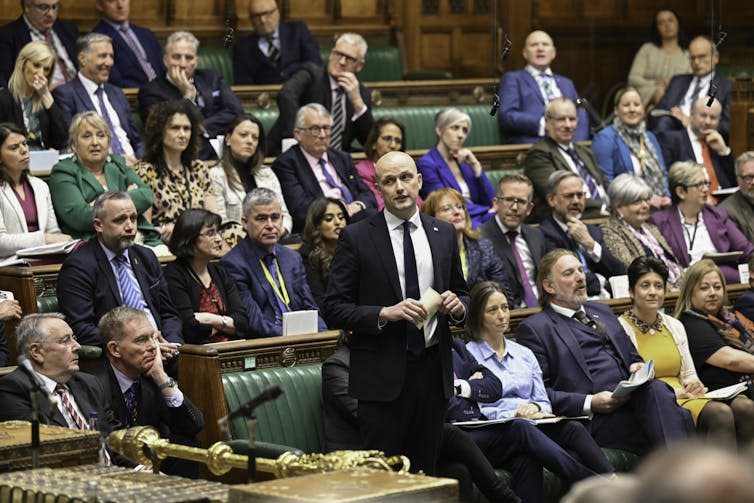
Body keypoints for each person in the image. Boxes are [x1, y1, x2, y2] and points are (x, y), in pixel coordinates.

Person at [322, 151, 469, 475]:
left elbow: (462, 293)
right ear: (378, 187)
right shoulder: (357, 236)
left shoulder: (443, 233)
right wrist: (384, 313)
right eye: (389, 181)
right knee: (386, 481)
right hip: (381, 378)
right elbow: (333, 308)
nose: (400, 187)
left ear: (418, 181)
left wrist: (459, 308)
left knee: (425, 476)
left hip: (433, 375)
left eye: (405, 178)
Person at [515, 249, 694, 454]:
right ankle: (687, 474)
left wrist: (637, 366)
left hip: (634, 400)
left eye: (581, 270)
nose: (580, 277)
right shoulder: (535, 329)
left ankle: (682, 472)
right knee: (677, 420)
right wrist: (591, 403)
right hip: (596, 417)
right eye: (569, 273)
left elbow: (633, 357)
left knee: (657, 389)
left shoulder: (602, 311)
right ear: (549, 286)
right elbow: (539, 393)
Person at [321, 337, 520, 503]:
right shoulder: (337, 366)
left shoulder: (389, 359)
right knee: (449, 434)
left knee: (459, 472)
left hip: (400, 447)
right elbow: (368, 417)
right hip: (362, 456)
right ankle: (507, 499)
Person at [464, 281, 614, 502]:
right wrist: (516, 411)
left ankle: (612, 480)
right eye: (492, 310)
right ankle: (586, 480)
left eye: (505, 307)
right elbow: (476, 405)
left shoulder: (524, 353)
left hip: (534, 423)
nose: (502, 315)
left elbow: (543, 398)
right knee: (522, 428)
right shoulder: (468, 356)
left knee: (572, 427)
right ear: (478, 316)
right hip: (499, 428)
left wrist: (535, 407)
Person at [620, 256, 749, 445]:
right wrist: (676, 392)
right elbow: (632, 381)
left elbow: (690, 374)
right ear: (631, 291)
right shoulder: (621, 328)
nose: (652, 292)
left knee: (746, 408)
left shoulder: (674, 325)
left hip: (687, 396)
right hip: (655, 401)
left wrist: (694, 384)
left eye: (658, 286)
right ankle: (719, 474)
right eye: (645, 285)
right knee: (720, 414)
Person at [56, 191, 182, 347]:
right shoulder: (79, 266)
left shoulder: (146, 257)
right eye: (120, 220)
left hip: (163, 347)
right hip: (119, 358)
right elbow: (81, 329)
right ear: (98, 225)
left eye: (133, 218)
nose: (130, 227)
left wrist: (173, 344)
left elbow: (169, 314)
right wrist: (139, 345)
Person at [93, 307, 204, 476]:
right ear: (115, 349)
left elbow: (193, 425)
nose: (153, 346)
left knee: (188, 445)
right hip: (118, 473)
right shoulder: (95, 386)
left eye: (152, 337)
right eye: (141, 340)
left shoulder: (152, 377)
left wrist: (160, 376)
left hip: (154, 463)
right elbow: (109, 445)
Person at [221, 188, 326, 338]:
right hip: (267, 344)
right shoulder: (233, 264)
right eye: (261, 218)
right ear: (245, 223)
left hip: (303, 339)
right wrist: (292, 336)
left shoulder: (292, 258)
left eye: (275, 217)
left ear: (282, 219)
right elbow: (253, 322)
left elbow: (311, 307)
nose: (270, 225)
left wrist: (323, 335)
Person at [48, 112, 161, 247]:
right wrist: (127, 195)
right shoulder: (63, 172)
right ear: (74, 145)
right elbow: (80, 218)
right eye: (87, 136)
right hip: (93, 244)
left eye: (101, 135)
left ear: (108, 142)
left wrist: (97, 203)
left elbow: (146, 195)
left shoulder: (118, 164)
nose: (95, 142)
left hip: (141, 238)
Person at [0, 313, 119, 435]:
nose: (77, 346)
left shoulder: (89, 383)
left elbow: (114, 438)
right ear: (36, 352)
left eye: (74, 338)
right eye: (65, 341)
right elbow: (40, 447)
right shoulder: (13, 390)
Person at [138, 31, 243, 160]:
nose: (182, 64)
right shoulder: (151, 91)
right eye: (176, 57)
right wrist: (188, 96)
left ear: (196, 61)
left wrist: (203, 127)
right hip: (184, 156)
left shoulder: (211, 78)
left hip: (224, 150)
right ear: (166, 60)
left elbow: (236, 111)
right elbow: (165, 128)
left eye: (188, 58)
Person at [273, 103, 376, 234]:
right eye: (315, 129)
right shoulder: (287, 164)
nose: (322, 135)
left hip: (356, 218)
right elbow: (299, 209)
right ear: (298, 134)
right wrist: (339, 211)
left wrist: (357, 206)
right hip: (321, 228)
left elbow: (368, 195)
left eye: (326, 128)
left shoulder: (342, 158)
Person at [267, 32, 373, 155]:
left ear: (360, 65)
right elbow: (286, 95)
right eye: (338, 54)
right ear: (331, 53)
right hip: (292, 153)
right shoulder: (311, 74)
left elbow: (368, 142)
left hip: (335, 161)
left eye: (349, 58)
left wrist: (358, 103)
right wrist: (299, 137)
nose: (342, 61)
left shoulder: (362, 94)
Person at [651, 161, 753, 284]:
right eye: (699, 185)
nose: (705, 189)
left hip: (724, 281)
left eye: (706, 183)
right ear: (681, 192)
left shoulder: (717, 215)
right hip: (685, 286)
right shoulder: (660, 222)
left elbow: (746, 250)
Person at [135, 100, 219, 244]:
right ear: (160, 132)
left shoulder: (199, 168)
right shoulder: (145, 171)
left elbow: (214, 217)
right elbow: (144, 227)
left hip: (200, 238)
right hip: (166, 241)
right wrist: (164, 230)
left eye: (187, 129)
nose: (182, 135)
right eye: (175, 128)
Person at [52, 32, 144, 163]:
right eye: (102, 56)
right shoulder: (65, 95)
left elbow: (137, 140)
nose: (109, 62)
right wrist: (116, 162)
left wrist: (141, 161)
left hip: (134, 164)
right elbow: (69, 144)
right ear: (82, 58)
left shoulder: (117, 93)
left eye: (111, 56)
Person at [675, 260, 754, 405]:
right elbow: (731, 360)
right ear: (690, 292)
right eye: (704, 288)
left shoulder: (729, 316)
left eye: (717, 287)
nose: (712, 293)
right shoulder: (689, 323)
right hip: (721, 396)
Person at [165, 209, 248, 344]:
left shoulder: (221, 272)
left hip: (233, 348)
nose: (219, 239)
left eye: (218, 232)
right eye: (210, 233)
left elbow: (242, 323)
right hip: (199, 354)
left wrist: (211, 319)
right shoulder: (174, 275)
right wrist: (227, 324)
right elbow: (189, 327)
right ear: (189, 238)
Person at [208, 114, 292, 245]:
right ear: (228, 139)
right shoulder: (216, 175)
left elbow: (285, 215)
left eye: (255, 137)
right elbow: (220, 222)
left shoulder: (267, 173)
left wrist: (275, 232)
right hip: (237, 246)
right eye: (243, 135)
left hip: (273, 241)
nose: (249, 141)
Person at [539, 171, 625, 298]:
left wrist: (590, 244)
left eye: (580, 195)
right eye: (569, 196)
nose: (576, 201)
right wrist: (602, 281)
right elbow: (565, 281)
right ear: (551, 200)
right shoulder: (544, 234)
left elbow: (620, 273)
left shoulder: (592, 231)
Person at [523, 97, 608, 223]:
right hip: (572, 221)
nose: (568, 125)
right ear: (547, 122)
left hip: (605, 215)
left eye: (572, 119)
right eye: (561, 119)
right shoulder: (538, 155)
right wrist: (603, 207)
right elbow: (561, 196)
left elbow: (605, 185)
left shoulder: (585, 152)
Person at [498, 30, 589, 145]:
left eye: (545, 44)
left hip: (568, 146)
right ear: (525, 53)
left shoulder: (567, 83)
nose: (540, 49)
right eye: (534, 45)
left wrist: (575, 144)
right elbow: (507, 116)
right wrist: (545, 125)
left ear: (553, 53)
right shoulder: (513, 79)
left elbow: (580, 113)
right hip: (533, 144)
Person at [422, 188, 513, 299]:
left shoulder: (484, 247)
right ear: (431, 219)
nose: (457, 212)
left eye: (460, 207)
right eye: (446, 209)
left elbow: (505, 292)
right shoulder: (425, 253)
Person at [591, 87, 670, 208]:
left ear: (643, 109)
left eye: (637, 105)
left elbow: (663, 173)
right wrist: (645, 198)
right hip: (626, 207)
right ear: (616, 111)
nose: (632, 109)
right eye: (626, 105)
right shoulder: (605, 138)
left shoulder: (649, 137)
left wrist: (667, 197)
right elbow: (606, 181)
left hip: (659, 206)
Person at [0, 122, 70, 259]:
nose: (24, 150)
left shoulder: (41, 186)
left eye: (24, 144)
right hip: (10, 266)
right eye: (14, 148)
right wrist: (42, 239)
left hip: (43, 259)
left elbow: (53, 232)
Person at [601, 174, 683, 288]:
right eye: (637, 202)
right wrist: (670, 289)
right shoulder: (611, 232)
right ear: (618, 207)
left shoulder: (651, 228)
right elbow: (633, 270)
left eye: (646, 200)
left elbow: (673, 262)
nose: (645, 205)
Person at [417, 108, 495, 228]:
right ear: (439, 130)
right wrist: (489, 213)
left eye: (464, 130)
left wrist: (476, 166)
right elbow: (446, 203)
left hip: (477, 220)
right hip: (453, 224)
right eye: (455, 128)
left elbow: (490, 201)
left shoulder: (465, 163)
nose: (461, 135)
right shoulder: (426, 164)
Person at [481, 174, 546, 308]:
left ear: (529, 208)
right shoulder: (480, 239)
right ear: (496, 203)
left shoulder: (537, 235)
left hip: (544, 308)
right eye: (509, 200)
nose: (515, 207)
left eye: (521, 202)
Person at [652, 35, 731, 139]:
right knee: (664, 122)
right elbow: (657, 112)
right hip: (672, 131)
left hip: (701, 136)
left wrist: (693, 123)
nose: (696, 62)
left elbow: (728, 126)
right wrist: (673, 115)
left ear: (715, 58)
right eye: (693, 58)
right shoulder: (677, 81)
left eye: (702, 57)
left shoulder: (726, 87)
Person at [659, 97, 735, 196]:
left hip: (723, 202)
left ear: (719, 121)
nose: (707, 122)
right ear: (692, 114)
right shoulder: (672, 140)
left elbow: (734, 181)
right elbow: (669, 179)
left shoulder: (719, 142)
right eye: (703, 115)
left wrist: (724, 151)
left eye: (713, 118)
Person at [233, 0, 321, 85]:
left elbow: (314, 64)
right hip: (266, 97)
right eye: (257, 16)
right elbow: (244, 86)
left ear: (277, 13)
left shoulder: (297, 31)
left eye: (267, 14)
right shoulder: (242, 49)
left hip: (302, 92)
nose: (263, 20)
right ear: (251, 20)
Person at [0, 41, 67, 150]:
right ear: (22, 64)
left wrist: (46, 95)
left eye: (46, 69)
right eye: (36, 65)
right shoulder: (4, 99)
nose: (40, 73)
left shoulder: (46, 101)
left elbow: (62, 141)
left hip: (44, 161)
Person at [0, 0, 79, 89]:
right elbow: (10, 83)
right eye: (43, 8)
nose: (50, 14)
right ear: (27, 7)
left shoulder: (68, 28)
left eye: (54, 7)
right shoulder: (7, 36)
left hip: (79, 93)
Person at [91, 0, 165, 88]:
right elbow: (115, 82)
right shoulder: (97, 40)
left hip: (165, 94)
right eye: (112, 1)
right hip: (134, 96)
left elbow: (163, 68)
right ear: (100, 5)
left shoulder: (146, 33)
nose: (120, 5)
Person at [627, 9, 690, 107]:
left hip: (677, 95)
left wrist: (672, 83)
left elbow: (691, 81)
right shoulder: (647, 49)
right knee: (659, 92)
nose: (667, 25)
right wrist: (656, 83)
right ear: (657, 28)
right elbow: (633, 78)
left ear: (678, 24)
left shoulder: (687, 55)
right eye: (661, 22)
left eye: (670, 20)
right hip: (645, 92)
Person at [299, 197, 349, 311]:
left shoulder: (352, 249)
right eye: (329, 218)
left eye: (341, 217)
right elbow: (318, 301)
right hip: (331, 318)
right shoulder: (307, 256)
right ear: (316, 225)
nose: (338, 222)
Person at [355, 117, 406, 210]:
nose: (393, 145)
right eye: (387, 139)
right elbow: (378, 204)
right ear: (374, 143)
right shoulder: (362, 171)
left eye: (398, 141)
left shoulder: (405, 170)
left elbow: (418, 202)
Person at [720, 151, 754, 243]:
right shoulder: (727, 211)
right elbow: (742, 252)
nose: (753, 182)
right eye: (748, 177)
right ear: (738, 179)